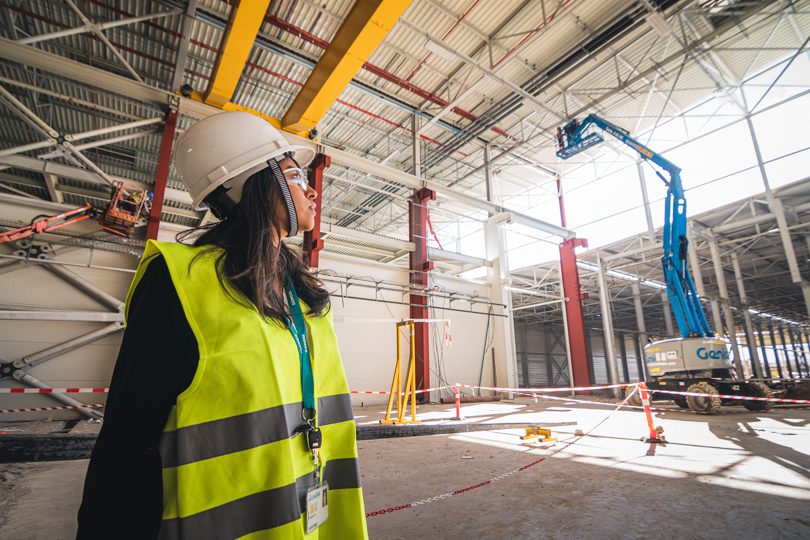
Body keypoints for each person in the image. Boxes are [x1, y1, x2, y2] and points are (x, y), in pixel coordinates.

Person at [77, 111, 368, 539]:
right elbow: (128, 438)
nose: (311, 189)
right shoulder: (182, 281)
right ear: (253, 183)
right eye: (293, 174)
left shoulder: (297, 291)